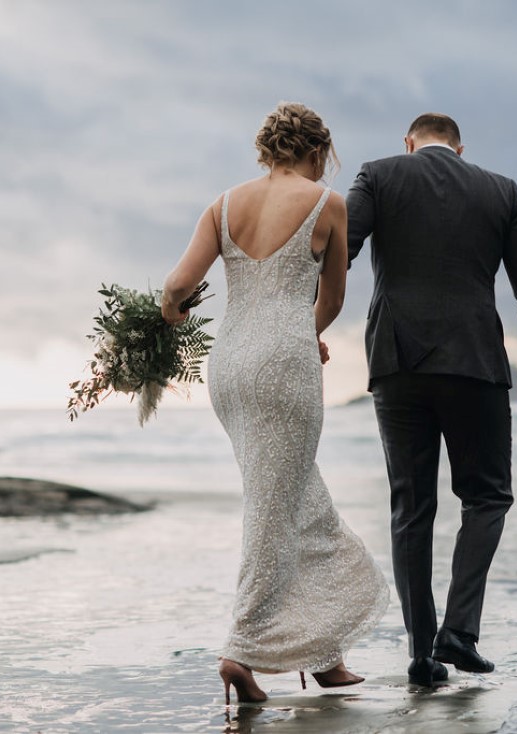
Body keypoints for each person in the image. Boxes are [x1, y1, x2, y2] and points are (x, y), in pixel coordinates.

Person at [161, 102, 388, 705]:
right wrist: (305, 332)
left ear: (268, 149)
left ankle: (325, 655)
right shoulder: (327, 204)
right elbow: (333, 300)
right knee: (272, 507)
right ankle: (241, 651)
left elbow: (179, 285)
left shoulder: (224, 204)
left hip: (230, 367)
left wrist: (167, 315)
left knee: (294, 499)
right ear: (317, 152)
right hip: (284, 366)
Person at [346, 113, 517, 687]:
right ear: (460, 151)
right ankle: (459, 633)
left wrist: (307, 319)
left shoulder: (378, 175)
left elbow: (339, 250)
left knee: (410, 508)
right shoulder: (501, 190)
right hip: (476, 364)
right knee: (487, 497)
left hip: (397, 364)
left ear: (409, 144)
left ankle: (421, 652)